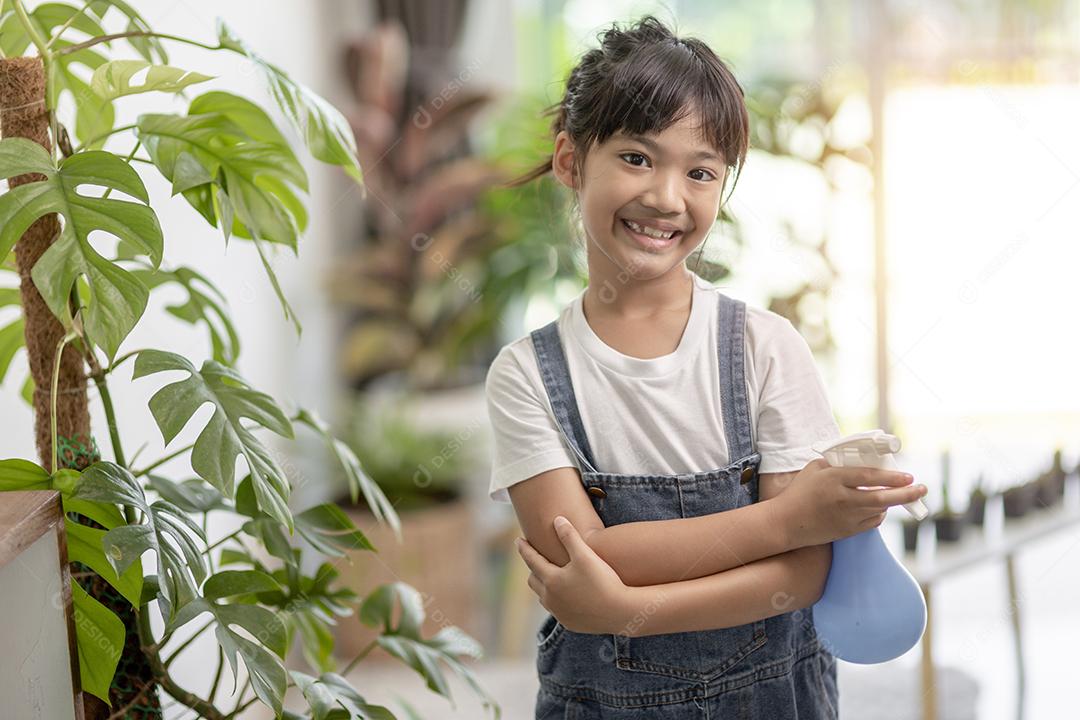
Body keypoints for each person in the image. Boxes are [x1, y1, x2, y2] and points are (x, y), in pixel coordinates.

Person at [484, 15, 928, 719]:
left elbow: (804, 572)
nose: (666, 197)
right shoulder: (528, 374)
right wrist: (787, 519)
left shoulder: (764, 347)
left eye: (700, 172)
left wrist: (624, 609)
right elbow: (579, 560)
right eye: (636, 157)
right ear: (570, 161)